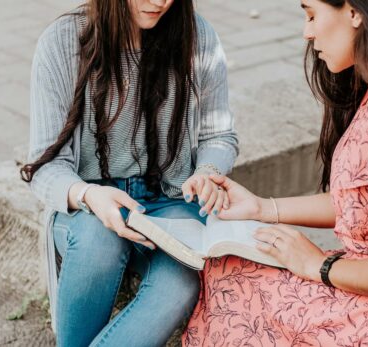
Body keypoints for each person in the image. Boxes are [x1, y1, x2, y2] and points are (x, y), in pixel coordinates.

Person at [183, 0, 368, 345]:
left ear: (356, 11)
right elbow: (366, 202)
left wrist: (316, 265)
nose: (307, 32)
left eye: (312, 14)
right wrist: (262, 208)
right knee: (228, 269)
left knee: (235, 287)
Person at [20, 0, 238, 346]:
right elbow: (45, 165)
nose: (160, 2)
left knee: (181, 282)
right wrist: (89, 195)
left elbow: (218, 135)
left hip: (169, 202)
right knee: (98, 240)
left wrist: (207, 172)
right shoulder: (63, 42)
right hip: (90, 204)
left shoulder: (198, 38)